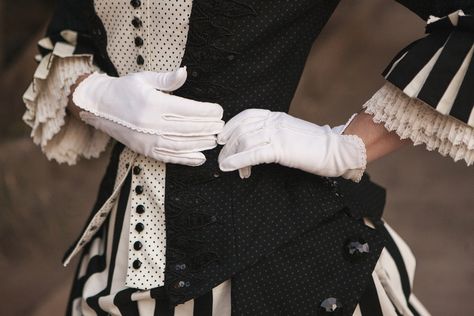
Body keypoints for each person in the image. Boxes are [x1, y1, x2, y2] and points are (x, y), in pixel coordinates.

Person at [22, 0, 473, 315]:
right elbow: (67, 41)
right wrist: (96, 97)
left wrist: (345, 144)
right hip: (114, 245)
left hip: (273, 250)